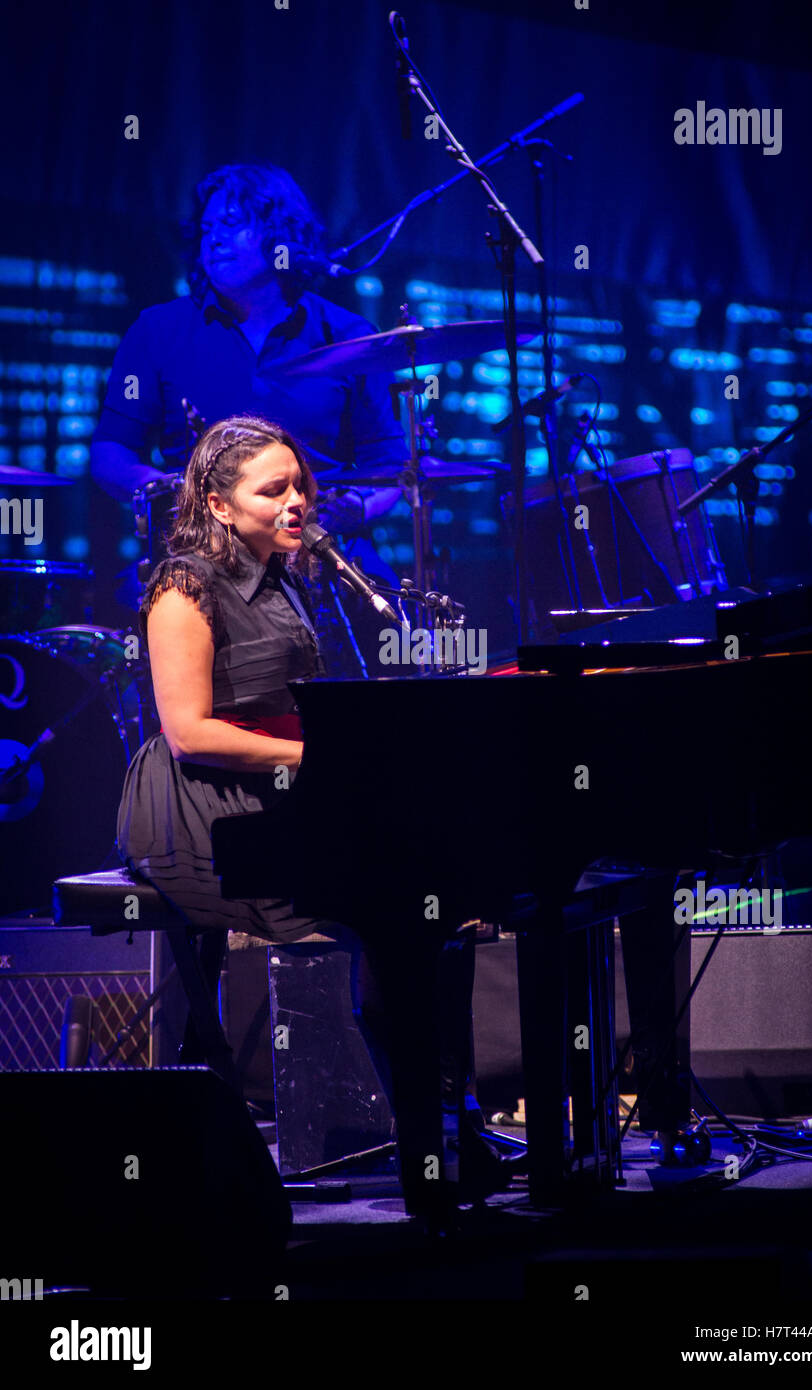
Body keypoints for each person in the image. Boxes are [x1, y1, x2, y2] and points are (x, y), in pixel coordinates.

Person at [117, 413, 508, 1208]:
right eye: (275, 490)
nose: (297, 501)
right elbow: (188, 732)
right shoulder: (183, 586)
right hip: (199, 805)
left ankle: (442, 1119)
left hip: (280, 786)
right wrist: (312, 758)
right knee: (387, 907)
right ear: (220, 506)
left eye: (301, 486)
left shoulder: (297, 576)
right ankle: (431, 1146)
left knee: (438, 900)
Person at [91, 162, 406, 672]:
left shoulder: (347, 334)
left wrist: (353, 509)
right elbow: (110, 453)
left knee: (396, 652)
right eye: (208, 228)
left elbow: (391, 468)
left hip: (324, 558)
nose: (214, 239)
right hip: (202, 559)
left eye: (232, 224)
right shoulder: (158, 330)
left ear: (281, 233)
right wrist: (170, 490)